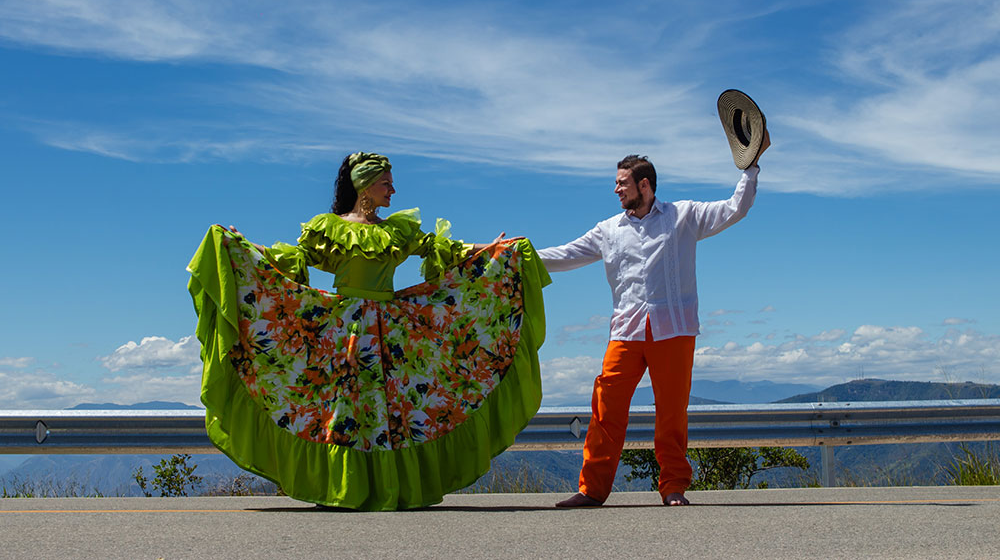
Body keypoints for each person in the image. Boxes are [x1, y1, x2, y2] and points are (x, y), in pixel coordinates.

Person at [187, 152, 550, 510]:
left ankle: (395, 487)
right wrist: (243, 246)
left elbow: (440, 249)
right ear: (365, 186)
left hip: (389, 329)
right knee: (346, 407)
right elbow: (294, 259)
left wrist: (492, 249)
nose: (393, 190)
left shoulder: (397, 229)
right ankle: (342, 487)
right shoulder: (330, 227)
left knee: (396, 407)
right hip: (344, 329)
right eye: (386, 183)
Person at [537, 134, 768, 507]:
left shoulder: (684, 216)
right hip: (626, 332)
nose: (616, 189)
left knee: (671, 413)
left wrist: (751, 168)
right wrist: (508, 253)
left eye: (622, 183)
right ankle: (591, 491)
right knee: (606, 410)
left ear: (644, 185)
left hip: (674, 330)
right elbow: (564, 254)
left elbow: (734, 209)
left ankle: (673, 486)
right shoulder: (608, 230)